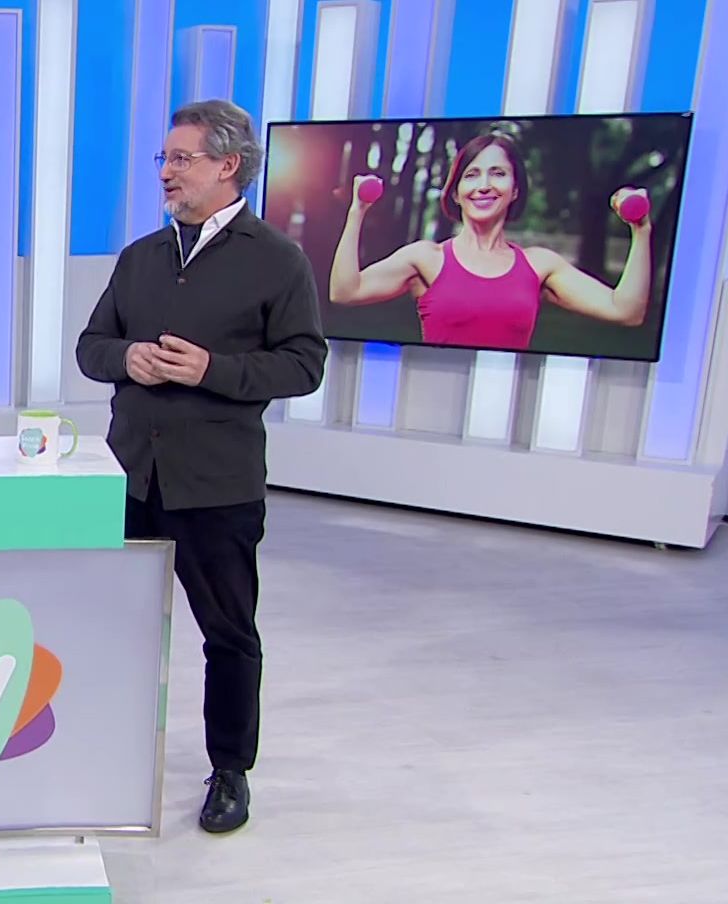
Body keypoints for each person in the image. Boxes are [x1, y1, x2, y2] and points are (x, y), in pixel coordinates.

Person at [76, 99, 327, 834]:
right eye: (164, 158)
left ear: (229, 165)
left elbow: (304, 363)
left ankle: (230, 771)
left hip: (216, 486)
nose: (166, 172)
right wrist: (128, 357)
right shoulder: (141, 257)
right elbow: (91, 346)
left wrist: (212, 369)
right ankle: (104, 753)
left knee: (228, 633)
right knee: (113, 624)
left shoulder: (277, 261)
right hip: (131, 478)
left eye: (182, 158)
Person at [328, 129, 652, 350]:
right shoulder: (426, 258)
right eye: (471, 175)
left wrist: (641, 230)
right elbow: (345, 292)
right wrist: (357, 211)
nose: (484, 185)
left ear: (515, 190)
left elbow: (626, 311)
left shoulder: (540, 265)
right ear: (456, 193)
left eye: (498, 173)